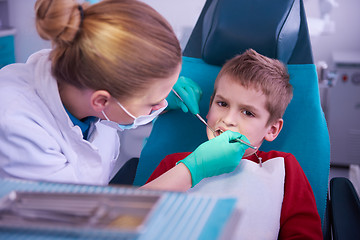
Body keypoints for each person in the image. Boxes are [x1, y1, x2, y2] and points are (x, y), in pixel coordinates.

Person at [0, 0, 248, 190]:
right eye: (153, 102)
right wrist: (193, 170)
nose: (162, 104)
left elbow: (115, 115)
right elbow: (80, 219)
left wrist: (160, 98)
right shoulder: (18, 127)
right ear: (100, 101)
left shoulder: (84, 75)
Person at [146, 49, 323, 239]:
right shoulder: (175, 163)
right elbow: (136, 222)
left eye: (248, 112)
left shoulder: (284, 167)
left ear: (272, 129)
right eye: (222, 104)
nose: (228, 119)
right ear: (209, 108)